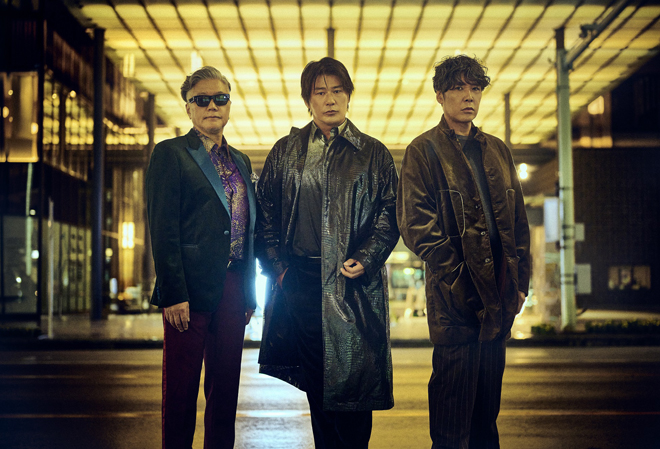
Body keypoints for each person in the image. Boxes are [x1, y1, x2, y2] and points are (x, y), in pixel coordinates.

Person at [255, 57, 399, 448]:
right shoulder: (286, 152)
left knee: (355, 387)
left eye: (337, 90)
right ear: (308, 100)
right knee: (319, 387)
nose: (330, 99)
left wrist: (368, 258)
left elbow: (390, 214)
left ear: (348, 96)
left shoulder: (373, 153)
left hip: (354, 284)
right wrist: (279, 269)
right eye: (320, 92)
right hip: (301, 282)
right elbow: (265, 214)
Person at [396, 55, 531, 449]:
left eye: (475, 88)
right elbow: (416, 226)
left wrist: (521, 285)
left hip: (500, 301)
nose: (468, 96)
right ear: (440, 96)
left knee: (486, 422)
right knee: (451, 425)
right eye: (458, 88)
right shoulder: (424, 150)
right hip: (454, 306)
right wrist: (459, 282)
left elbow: (518, 223)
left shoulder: (498, 150)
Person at [146, 66, 257, 449]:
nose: (212, 106)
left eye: (220, 99)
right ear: (189, 108)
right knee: (180, 393)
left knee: (225, 393)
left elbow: (248, 229)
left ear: (229, 105)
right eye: (202, 99)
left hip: (233, 288)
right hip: (188, 293)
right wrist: (173, 293)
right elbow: (163, 228)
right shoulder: (171, 154)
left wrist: (249, 294)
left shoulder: (241, 161)